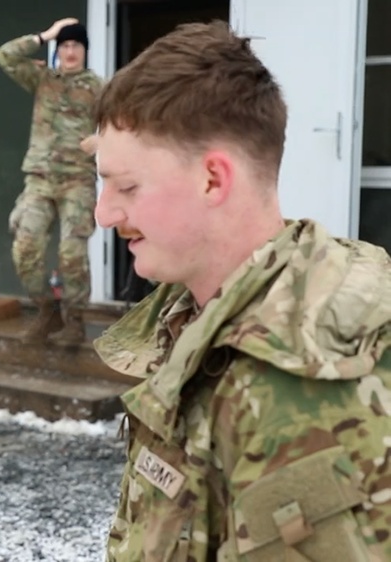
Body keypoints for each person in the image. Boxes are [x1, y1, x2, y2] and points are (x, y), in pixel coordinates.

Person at [92, 21, 391, 561]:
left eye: (127, 186)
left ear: (213, 179)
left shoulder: (309, 393)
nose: (104, 213)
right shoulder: (191, 324)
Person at [0, 17, 104, 346]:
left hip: (77, 181)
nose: (70, 51)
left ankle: (75, 322)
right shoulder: (43, 78)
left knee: (72, 255)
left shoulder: (98, 87)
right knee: (25, 248)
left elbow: (130, 118)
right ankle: (47, 309)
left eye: (76, 45)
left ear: (85, 50)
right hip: (40, 180)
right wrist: (46, 35)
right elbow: (5, 56)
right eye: (65, 45)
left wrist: (104, 138)